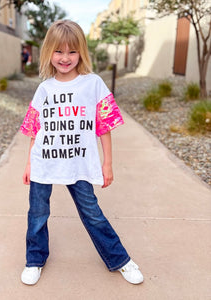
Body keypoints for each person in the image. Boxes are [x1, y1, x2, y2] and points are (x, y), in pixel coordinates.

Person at [20, 20, 144, 286]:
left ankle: (120, 259)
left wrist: (107, 164)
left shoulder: (93, 84)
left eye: (72, 52)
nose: (65, 58)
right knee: (37, 213)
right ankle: (34, 259)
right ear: (49, 52)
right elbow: (36, 130)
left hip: (78, 164)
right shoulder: (44, 89)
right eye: (59, 51)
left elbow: (104, 127)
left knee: (92, 212)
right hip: (44, 162)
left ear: (81, 53)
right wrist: (30, 162)